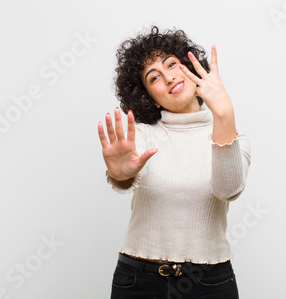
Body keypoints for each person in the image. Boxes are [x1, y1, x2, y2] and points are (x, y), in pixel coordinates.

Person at [98, 25, 251, 298]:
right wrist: (122, 175)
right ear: (150, 98)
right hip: (139, 280)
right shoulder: (143, 134)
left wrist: (224, 115)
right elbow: (127, 171)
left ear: (193, 70)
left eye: (172, 64)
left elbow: (228, 191)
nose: (168, 77)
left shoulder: (233, 137)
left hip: (210, 283)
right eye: (154, 77)